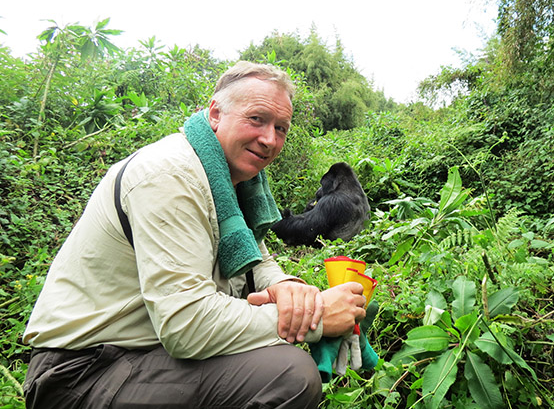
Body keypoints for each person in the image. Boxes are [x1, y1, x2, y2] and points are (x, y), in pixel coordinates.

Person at [22, 61, 367, 409]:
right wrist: (316, 316)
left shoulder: (231, 179)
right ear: (215, 113)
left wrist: (289, 287)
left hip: (140, 352)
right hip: (81, 374)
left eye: (281, 128)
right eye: (257, 119)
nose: (269, 139)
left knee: (269, 347)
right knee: (289, 374)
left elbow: (256, 257)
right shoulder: (169, 176)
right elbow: (187, 325)